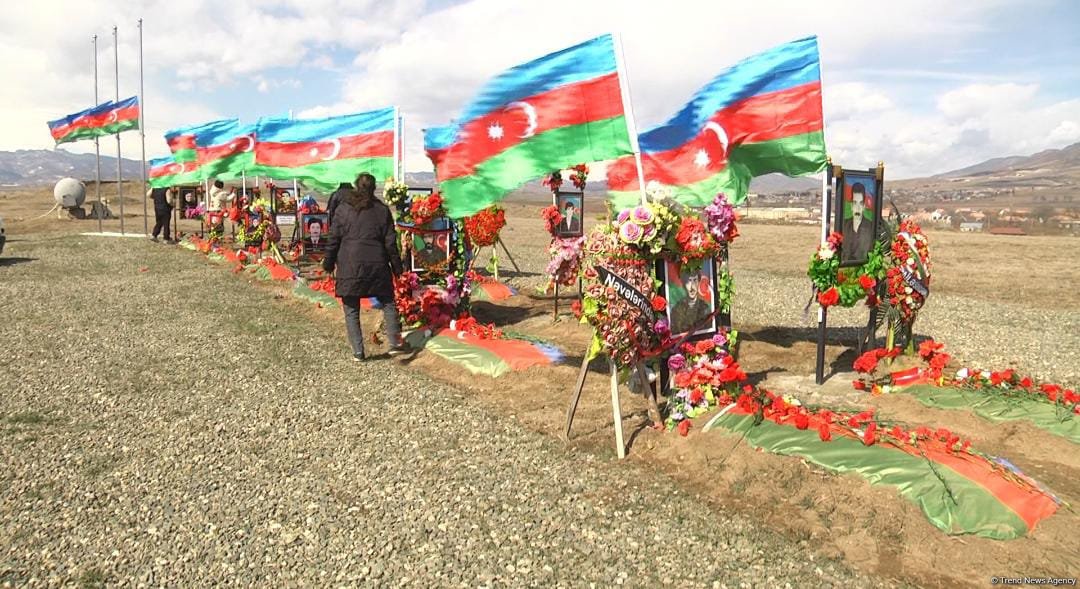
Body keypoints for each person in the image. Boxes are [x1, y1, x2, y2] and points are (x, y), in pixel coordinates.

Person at [323, 173, 409, 359]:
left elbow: (333, 239)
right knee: (388, 302)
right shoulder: (382, 210)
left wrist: (328, 264)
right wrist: (397, 268)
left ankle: (358, 351)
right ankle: (395, 343)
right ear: (373, 188)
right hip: (377, 265)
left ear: (355, 186)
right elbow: (390, 244)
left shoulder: (343, 210)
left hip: (349, 265)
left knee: (351, 309)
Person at [841, 182, 876, 264]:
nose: (857, 208)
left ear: (864, 206)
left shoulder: (870, 226)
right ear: (851, 206)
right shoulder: (844, 225)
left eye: (860, 203)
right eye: (855, 203)